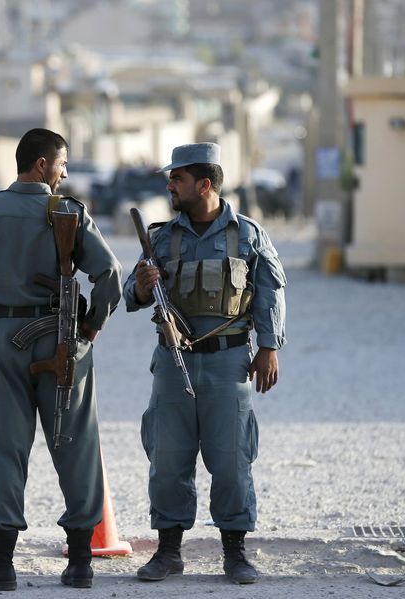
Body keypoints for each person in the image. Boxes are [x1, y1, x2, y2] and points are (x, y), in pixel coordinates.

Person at [0, 128, 123, 591]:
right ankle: (80, 563)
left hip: (2, 336)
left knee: (4, 446)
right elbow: (109, 272)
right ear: (42, 165)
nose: (65, 173)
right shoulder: (67, 211)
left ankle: (1, 561)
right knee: (75, 442)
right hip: (63, 338)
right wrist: (92, 326)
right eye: (63, 165)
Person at [123, 143, 287, 585]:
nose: (170, 185)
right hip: (173, 363)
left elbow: (271, 291)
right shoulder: (160, 237)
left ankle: (235, 552)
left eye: (177, 178)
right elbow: (130, 297)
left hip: (229, 363)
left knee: (232, 459)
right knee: (168, 456)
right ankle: (168, 551)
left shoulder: (248, 235)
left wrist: (269, 347)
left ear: (205, 184)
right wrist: (140, 286)